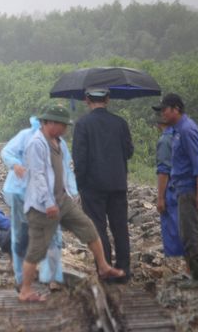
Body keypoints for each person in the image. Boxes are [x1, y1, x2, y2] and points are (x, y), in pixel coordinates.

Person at [19, 103, 125, 302]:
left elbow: (63, 171)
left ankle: (103, 267)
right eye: (63, 125)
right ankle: (25, 290)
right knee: (36, 249)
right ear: (50, 123)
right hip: (43, 206)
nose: (66, 129)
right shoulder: (36, 143)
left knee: (88, 227)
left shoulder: (57, 141)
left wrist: (70, 192)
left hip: (63, 200)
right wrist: (48, 202)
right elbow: (38, 176)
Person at [154, 93, 198, 289]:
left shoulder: (188, 130)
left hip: (190, 189)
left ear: (176, 109)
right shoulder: (178, 130)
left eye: (165, 109)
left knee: (192, 234)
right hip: (182, 188)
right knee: (186, 233)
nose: (163, 113)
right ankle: (195, 275)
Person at [72, 87, 133, 283]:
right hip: (117, 183)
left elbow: (79, 159)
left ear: (86, 100)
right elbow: (129, 152)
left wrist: (78, 184)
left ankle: (105, 269)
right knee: (120, 227)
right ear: (107, 99)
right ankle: (124, 270)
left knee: (97, 228)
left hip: (92, 185)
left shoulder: (82, 124)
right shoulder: (120, 123)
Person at [1, 116, 64, 291]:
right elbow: (7, 152)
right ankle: (23, 279)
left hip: (47, 196)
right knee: (23, 236)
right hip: (21, 193)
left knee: (51, 235)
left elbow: (63, 167)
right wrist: (15, 165)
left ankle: (51, 278)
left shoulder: (58, 142)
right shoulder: (25, 135)